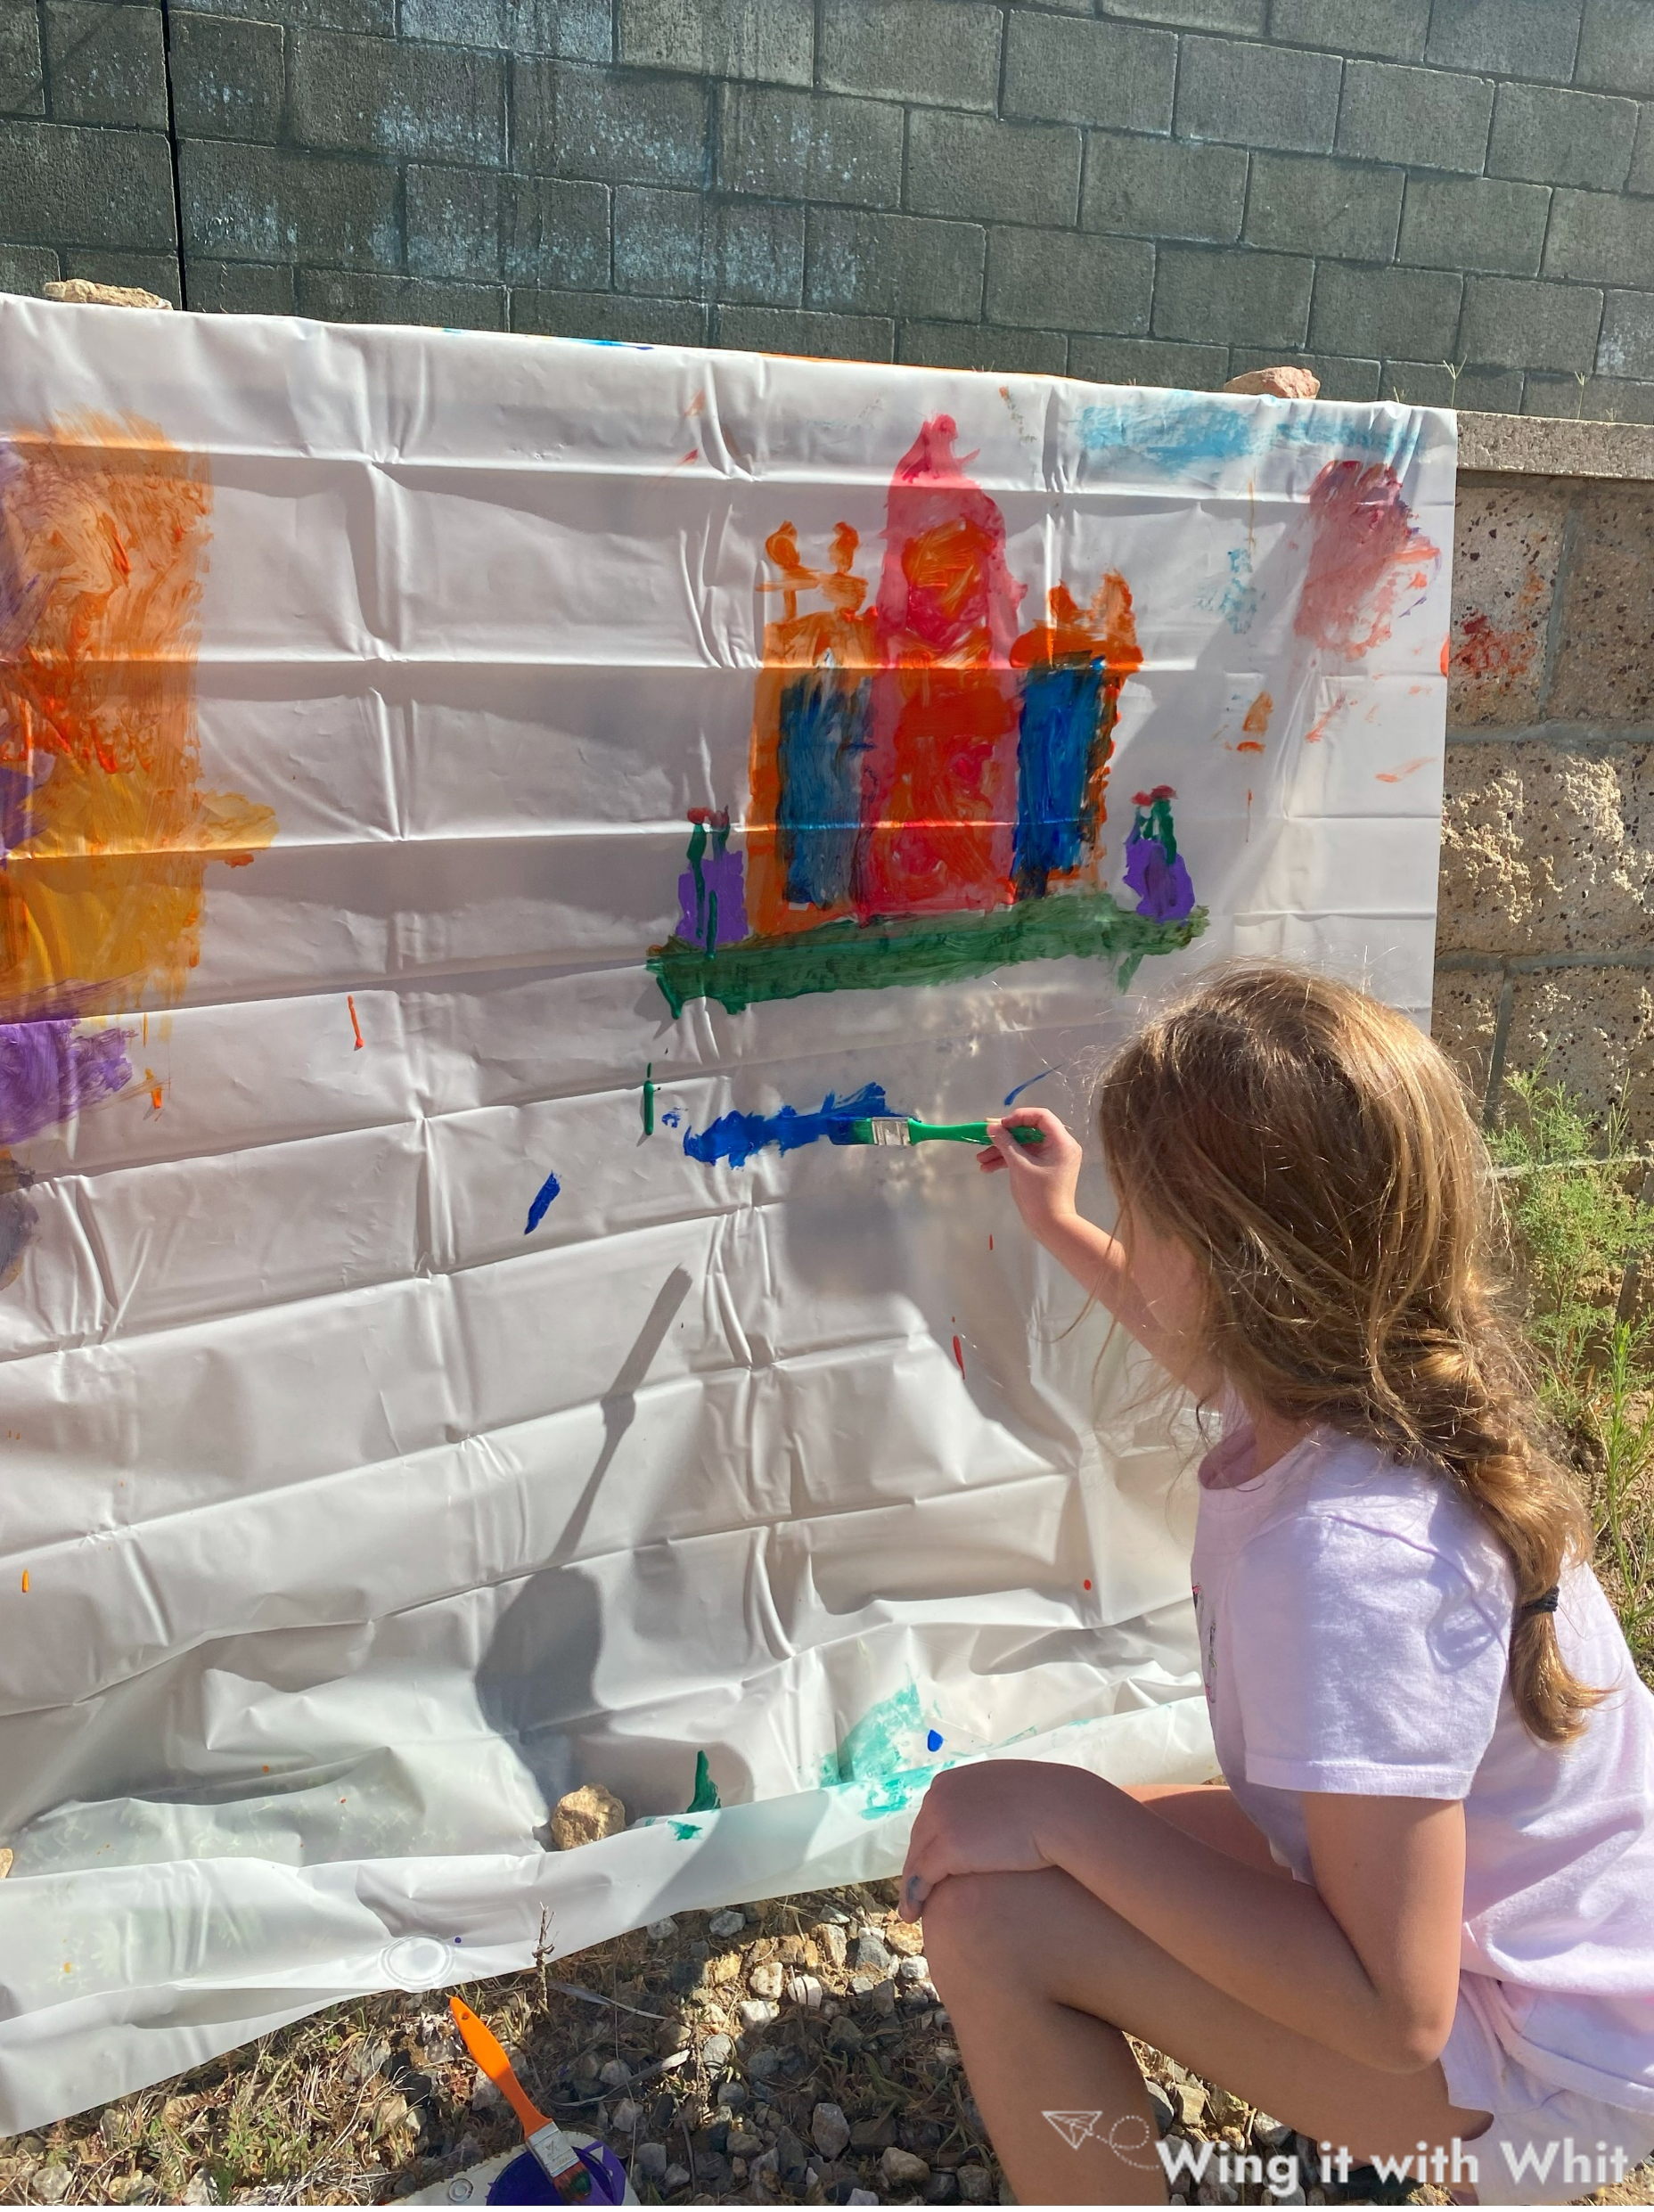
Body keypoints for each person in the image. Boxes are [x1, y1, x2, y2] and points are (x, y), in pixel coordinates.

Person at [901, 963, 1654, 2206]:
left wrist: (1066, 1818)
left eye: (1142, 1215)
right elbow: (1193, 1343)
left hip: (1558, 2070)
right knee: (1075, 1842)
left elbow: (1389, 2011)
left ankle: (1484, 2170)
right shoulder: (1367, 1377)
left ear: (1236, 1270)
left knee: (999, 1916)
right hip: (1575, 1966)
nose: (1129, 1242)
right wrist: (1064, 1223)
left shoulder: (1347, 1563)